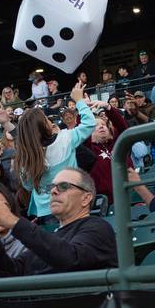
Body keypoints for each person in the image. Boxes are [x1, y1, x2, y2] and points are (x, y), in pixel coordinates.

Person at [0, 167, 115, 275]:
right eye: (51, 187)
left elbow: (71, 259)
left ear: (86, 198)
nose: (53, 191)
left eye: (63, 186)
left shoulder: (98, 227)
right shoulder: (51, 238)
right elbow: (10, 272)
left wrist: (12, 221)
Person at [15, 85, 96, 217]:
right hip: (72, 207)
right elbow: (90, 124)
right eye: (46, 119)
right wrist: (79, 100)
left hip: (45, 212)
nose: (50, 121)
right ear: (44, 126)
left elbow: (28, 186)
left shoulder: (25, 157)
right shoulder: (65, 138)